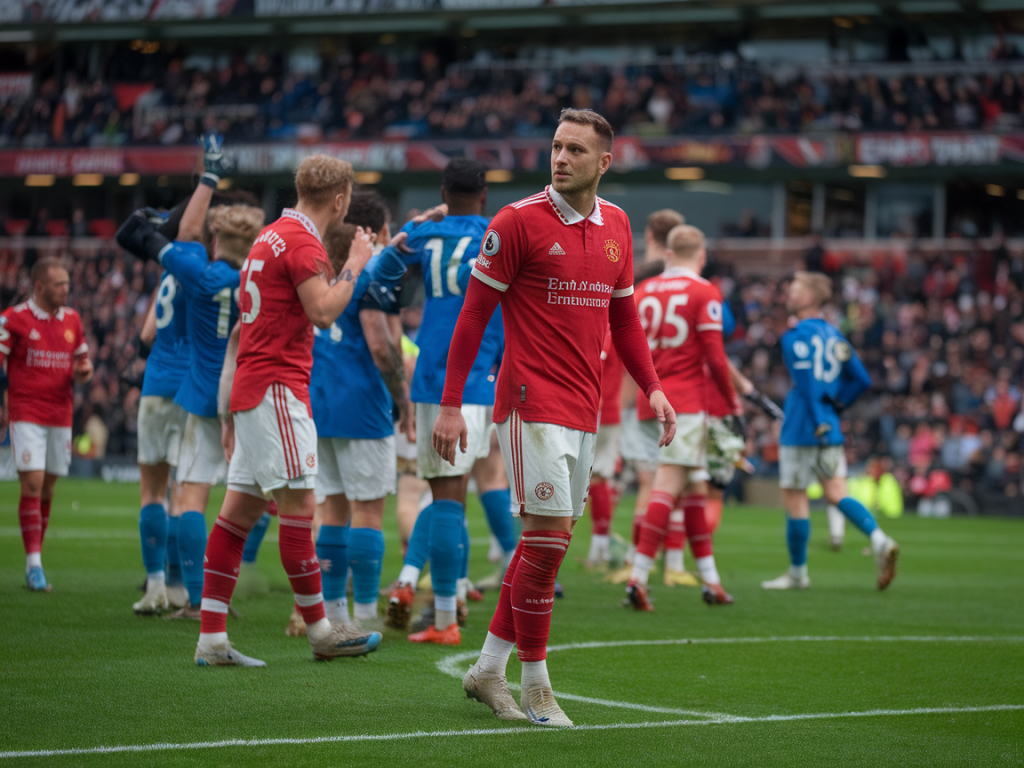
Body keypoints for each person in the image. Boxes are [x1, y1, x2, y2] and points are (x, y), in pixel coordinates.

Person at [433, 108, 676, 727]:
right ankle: (537, 686)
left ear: (604, 162)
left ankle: (487, 669)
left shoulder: (617, 224)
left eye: (575, 150)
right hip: (528, 399)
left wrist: (652, 387)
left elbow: (624, 319)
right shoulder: (516, 222)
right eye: (556, 146)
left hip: (584, 405)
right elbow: (473, 315)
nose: (561, 158)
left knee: (548, 545)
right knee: (544, 544)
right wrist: (451, 404)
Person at [203, 154, 376, 665]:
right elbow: (323, 312)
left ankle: (212, 639)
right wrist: (356, 262)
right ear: (340, 200)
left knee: (236, 516)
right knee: (300, 511)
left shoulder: (269, 235)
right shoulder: (302, 243)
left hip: (253, 387)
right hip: (277, 387)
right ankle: (321, 631)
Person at [119, 137, 264, 621]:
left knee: (190, 496)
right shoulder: (261, 279)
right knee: (275, 499)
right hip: (252, 394)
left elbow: (183, 232)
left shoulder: (198, 274)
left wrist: (210, 175)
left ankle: (195, 595)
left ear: (217, 239)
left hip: (199, 393)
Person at [384, 159, 511, 647]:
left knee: (444, 497)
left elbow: (389, 256)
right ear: (484, 195)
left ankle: (443, 617)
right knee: (453, 495)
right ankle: (451, 601)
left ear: (442, 192)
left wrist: (425, 219)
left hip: (435, 377)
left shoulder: (426, 235)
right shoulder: (497, 233)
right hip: (481, 376)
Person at [625, 224, 738, 610]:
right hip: (684, 404)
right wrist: (732, 402)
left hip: (649, 399)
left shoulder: (644, 290)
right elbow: (715, 356)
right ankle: (638, 578)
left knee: (694, 490)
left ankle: (711, 581)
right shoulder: (705, 291)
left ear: (669, 253)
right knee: (669, 484)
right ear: (701, 255)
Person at [763, 271, 899, 591]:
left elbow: (808, 384)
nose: (789, 294)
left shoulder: (794, 336)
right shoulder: (834, 335)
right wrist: (836, 407)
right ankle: (879, 539)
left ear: (810, 297)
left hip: (802, 427)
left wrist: (818, 420)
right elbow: (862, 380)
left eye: (795, 289)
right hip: (830, 426)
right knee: (837, 492)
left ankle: (798, 574)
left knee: (795, 497)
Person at [310, 207, 413, 631]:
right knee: (368, 512)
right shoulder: (366, 281)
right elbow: (380, 347)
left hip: (319, 405)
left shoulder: (316, 285)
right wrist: (403, 398)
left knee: (333, 511)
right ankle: (366, 615)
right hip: (362, 407)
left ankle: (334, 615)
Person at [0, 257, 92, 591]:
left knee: (48, 488)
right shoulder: (13, 319)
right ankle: (34, 564)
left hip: (60, 414)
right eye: (59, 284)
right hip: (26, 412)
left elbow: (83, 365)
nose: (66, 288)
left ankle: (36, 558)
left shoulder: (72, 319)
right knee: (33, 484)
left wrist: (84, 372)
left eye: (67, 282)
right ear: (39, 287)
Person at [606, 209, 685, 586]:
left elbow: (624, 339)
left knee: (649, 479)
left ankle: (636, 561)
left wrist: (621, 399)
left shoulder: (639, 283)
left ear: (650, 235)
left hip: (642, 392)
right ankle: (675, 563)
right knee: (681, 481)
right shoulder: (696, 286)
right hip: (684, 394)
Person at [129, 205, 192, 615]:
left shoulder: (168, 272)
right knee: (184, 492)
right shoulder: (204, 271)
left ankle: (154, 587)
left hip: (155, 385)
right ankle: (181, 586)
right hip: (189, 388)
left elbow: (147, 335)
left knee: (152, 492)